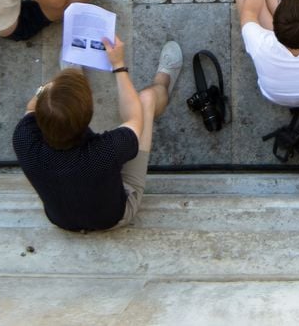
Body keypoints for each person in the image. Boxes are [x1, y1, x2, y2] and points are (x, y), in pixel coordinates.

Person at [13, 36, 183, 231]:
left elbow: (30, 108)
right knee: (146, 99)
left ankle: (72, 72)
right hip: (115, 215)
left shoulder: (23, 139)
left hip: (62, 218)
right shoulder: (106, 151)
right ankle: (163, 82)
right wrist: (118, 65)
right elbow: (134, 118)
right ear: (88, 118)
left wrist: (54, 93)